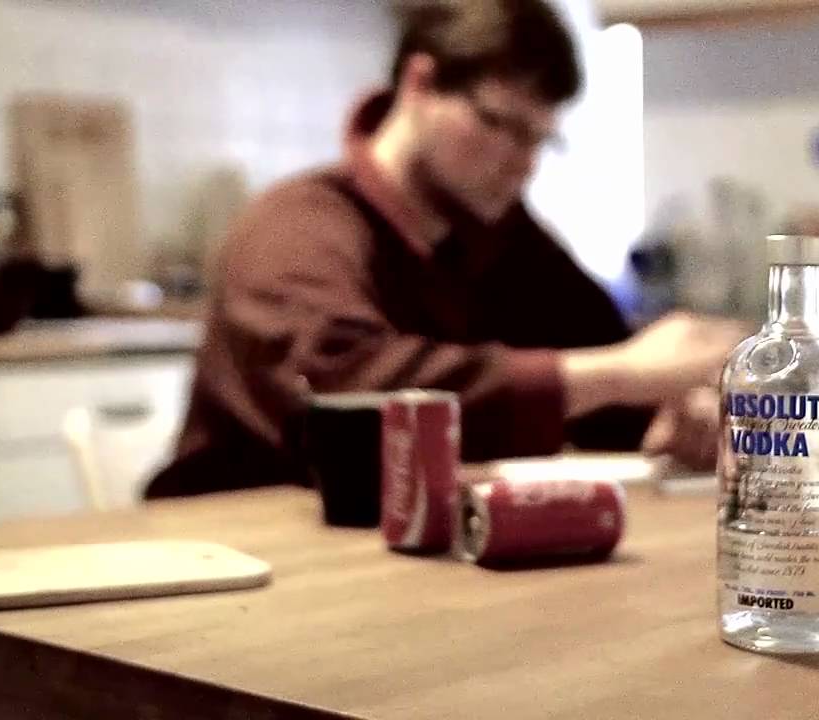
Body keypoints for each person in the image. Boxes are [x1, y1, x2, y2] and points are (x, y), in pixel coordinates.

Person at [146, 0, 747, 499]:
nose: (524, 162)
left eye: (540, 139)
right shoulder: (297, 226)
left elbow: (594, 354)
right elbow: (345, 389)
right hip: (242, 548)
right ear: (420, 84)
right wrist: (623, 374)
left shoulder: (500, 233)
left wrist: (669, 413)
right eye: (500, 124)